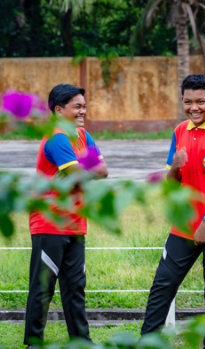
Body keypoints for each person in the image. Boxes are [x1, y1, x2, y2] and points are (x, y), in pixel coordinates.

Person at [141, 74, 205, 349]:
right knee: (162, 285)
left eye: (200, 101)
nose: (194, 107)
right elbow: (172, 184)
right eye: (188, 102)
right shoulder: (180, 132)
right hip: (184, 226)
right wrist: (175, 166)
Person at [25, 84, 108, 347]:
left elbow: (103, 170)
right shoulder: (57, 136)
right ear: (59, 110)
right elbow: (82, 173)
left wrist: (77, 168)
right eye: (77, 107)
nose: (83, 111)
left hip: (75, 222)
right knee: (43, 288)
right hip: (49, 223)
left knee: (75, 288)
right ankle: (34, 342)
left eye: (84, 106)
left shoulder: (82, 135)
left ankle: (81, 341)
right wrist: (82, 168)